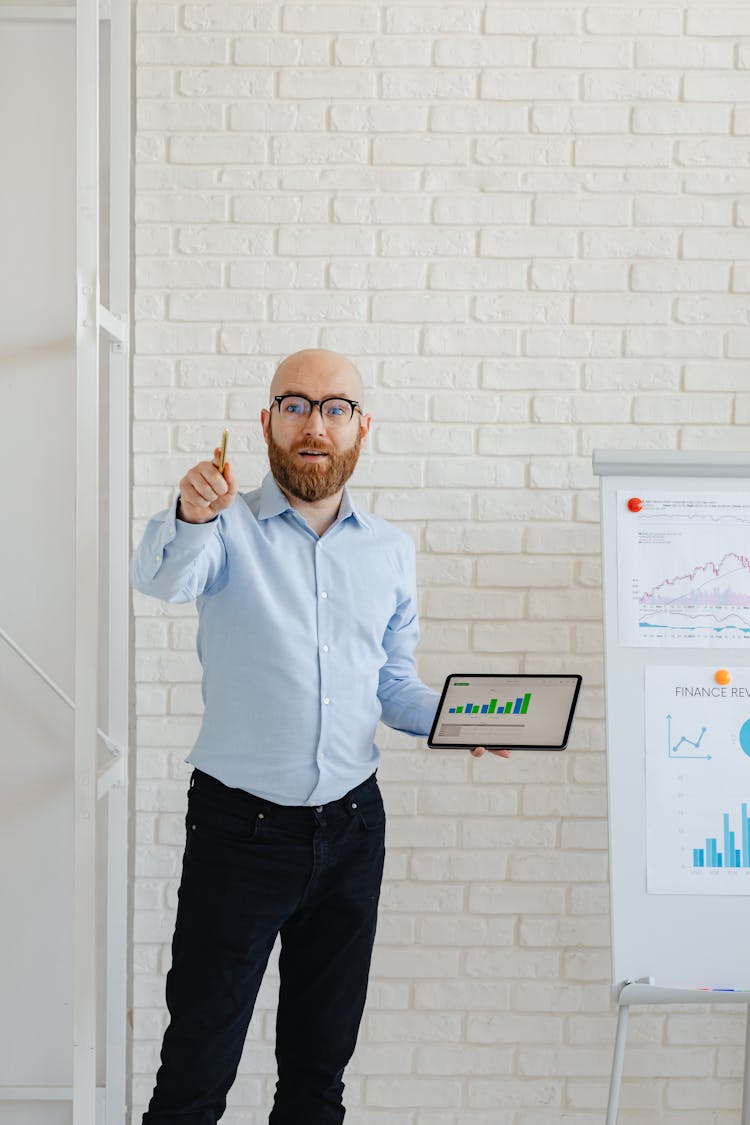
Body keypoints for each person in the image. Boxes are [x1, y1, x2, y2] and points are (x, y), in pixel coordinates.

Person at [130, 347, 509, 1125]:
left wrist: (451, 717)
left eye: (335, 407)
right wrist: (190, 512)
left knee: (316, 1074)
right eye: (296, 404)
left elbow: (391, 686)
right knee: (196, 1071)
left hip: (351, 828)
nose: (315, 423)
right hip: (241, 831)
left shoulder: (390, 551)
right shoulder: (223, 525)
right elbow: (163, 579)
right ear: (267, 421)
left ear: (361, 428)